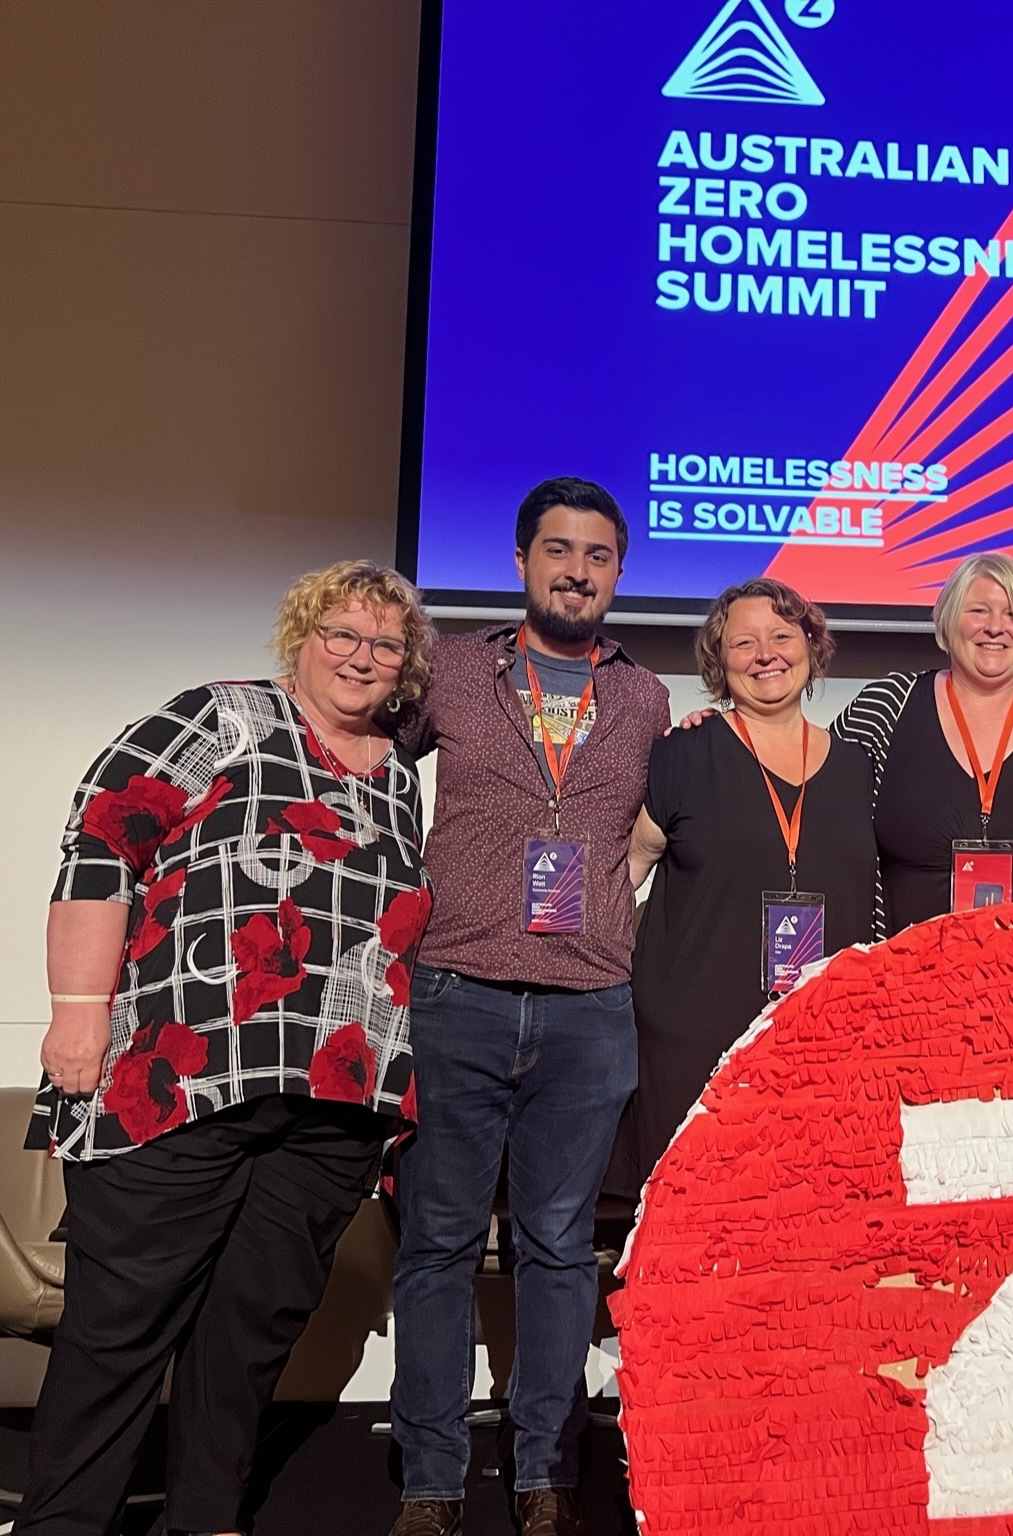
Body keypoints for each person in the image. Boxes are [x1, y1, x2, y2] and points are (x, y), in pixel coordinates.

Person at [17, 561, 436, 1536]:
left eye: (384, 644)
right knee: (117, 1337)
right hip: (183, 1078)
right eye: (342, 633)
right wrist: (78, 1009)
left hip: (337, 1104)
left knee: (248, 1339)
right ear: (301, 634)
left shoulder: (399, 775)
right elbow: (100, 841)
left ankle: (204, 1519)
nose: (361, 656)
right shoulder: (223, 717)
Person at [387, 477, 669, 1536]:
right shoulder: (453, 672)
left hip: (591, 1003)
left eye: (598, 556)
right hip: (456, 990)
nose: (577, 571)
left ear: (619, 574)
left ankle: (548, 1467)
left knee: (557, 1246)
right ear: (520, 562)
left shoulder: (644, 697)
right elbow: (362, 761)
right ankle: (430, 1481)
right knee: (439, 1245)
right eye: (558, 550)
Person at [606, 578, 876, 1199]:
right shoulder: (684, 754)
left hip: (816, 1039)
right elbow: (630, 868)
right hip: (692, 1037)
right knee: (690, 1224)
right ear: (717, 661)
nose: (766, 654)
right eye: (743, 643)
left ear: (811, 647)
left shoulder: (859, 765)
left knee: (794, 1225)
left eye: (782, 636)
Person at [830, 552, 1013, 935]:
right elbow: (811, 787)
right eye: (979, 610)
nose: (995, 627)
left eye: (1012, 614)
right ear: (947, 619)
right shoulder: (884, 708)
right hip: (903, 983)